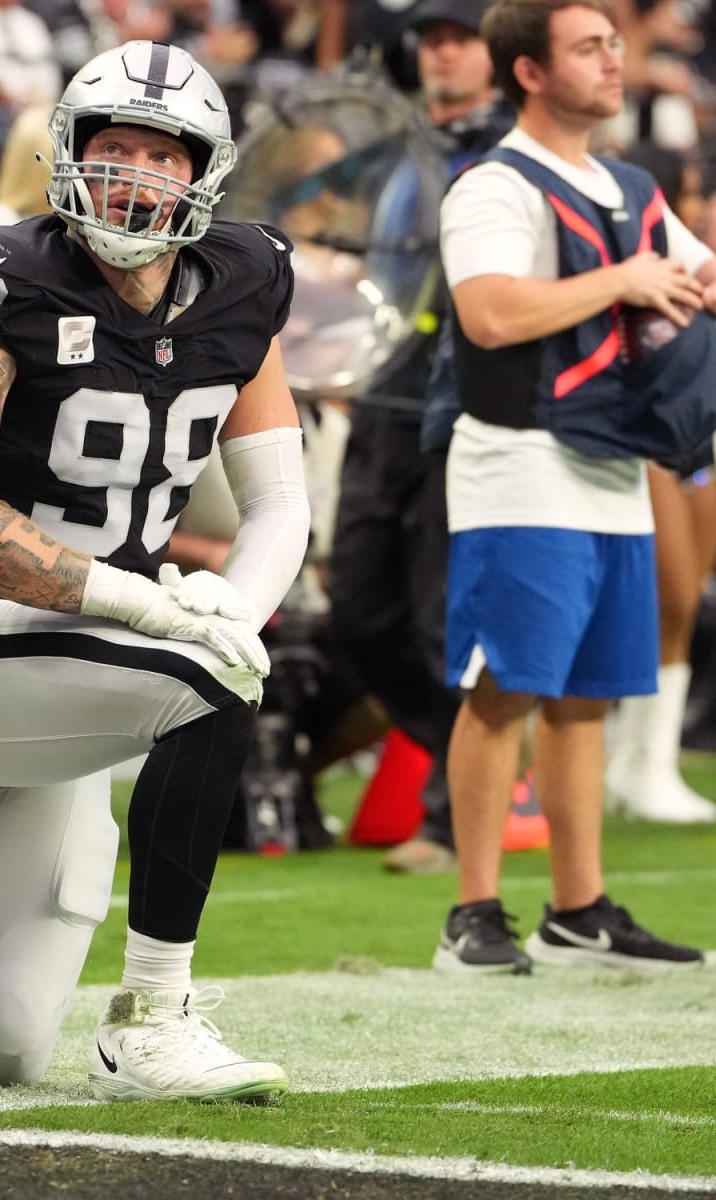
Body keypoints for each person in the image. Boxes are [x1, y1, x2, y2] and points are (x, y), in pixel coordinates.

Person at [0, 41, 310, 1101]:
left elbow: (281, 502)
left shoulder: (246, 279)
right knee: (211, 688)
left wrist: (226, 609)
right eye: (114, 147)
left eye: (163, 153)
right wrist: (155, 610)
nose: (135, 173)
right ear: (68, 152)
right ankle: (151, 1019)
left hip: (82, 671)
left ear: (203, 173)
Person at [432, 0, 711, 973]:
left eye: (614, 42)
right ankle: (470, 913)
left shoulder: (632, 185)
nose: (613, 58)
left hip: (611, 462)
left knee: (587, 695)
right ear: (530, 73)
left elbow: (695, 273)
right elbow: (491, 314)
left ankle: (577, 908)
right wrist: (624, 282)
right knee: (508, 684)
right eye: (589, 46)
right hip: (521, 463)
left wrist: (686, 283)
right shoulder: (492, 185)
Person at [325, 0, 519, 875]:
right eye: (432, 40)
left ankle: (448, 818)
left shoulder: (511, 152)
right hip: (380, 394)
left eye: (461, 38)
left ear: (497, 55)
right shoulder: (400, 149)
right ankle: (459, 756)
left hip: (462, 401)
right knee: (360, 612)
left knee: (446, 615)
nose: (443, 53)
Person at [603, 141, 716, 823]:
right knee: (668, 594)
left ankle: (651, 760)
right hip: (638, 435)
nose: (700, 206)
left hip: (694, 433)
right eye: (693, 192)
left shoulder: (693, 260)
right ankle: (631, 759)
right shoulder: (628, 254)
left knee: (687, 595)